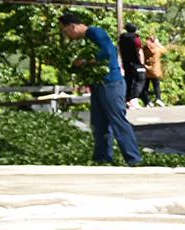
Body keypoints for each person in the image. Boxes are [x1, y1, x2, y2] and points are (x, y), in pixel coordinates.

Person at [59, 12, 143, 166]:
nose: (67, 36)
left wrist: (84, 61)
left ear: (72, 27)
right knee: (99, 124)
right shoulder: (87, 39)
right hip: (99, 85)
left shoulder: (95, 32)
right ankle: (102, 158)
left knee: (117, 121)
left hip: (111, 83)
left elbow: (107, 52)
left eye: (66, 32)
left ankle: (133, 159)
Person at [118, 22, 146, 107]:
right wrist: (142, 63)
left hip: (126, 62)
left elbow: (120, 50)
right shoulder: (136, 39)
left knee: (128, 81)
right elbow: (139, 51)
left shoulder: (122, 38)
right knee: (140, 80)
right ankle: (134, 98)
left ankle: (127, 99)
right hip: (136, 63)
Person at [141, 33, 166, 106]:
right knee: (156, 86)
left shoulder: (144, 49)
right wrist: (158, 43)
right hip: (155, 71)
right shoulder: (156, 49)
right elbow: (164, 50)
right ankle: (158, 98)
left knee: (145, 87)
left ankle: (147, 101)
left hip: (146, 70)